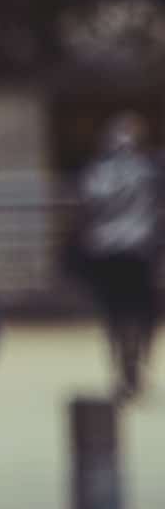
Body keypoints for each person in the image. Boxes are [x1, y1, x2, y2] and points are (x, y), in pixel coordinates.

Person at [78, 111, 159, 400]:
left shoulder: (95, 174)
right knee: (141, 312)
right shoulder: (147, 170)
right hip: (138, 249)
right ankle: (134, 361)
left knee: (113, 314)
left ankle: (120, 365)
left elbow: (87, 211)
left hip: (107, 251)